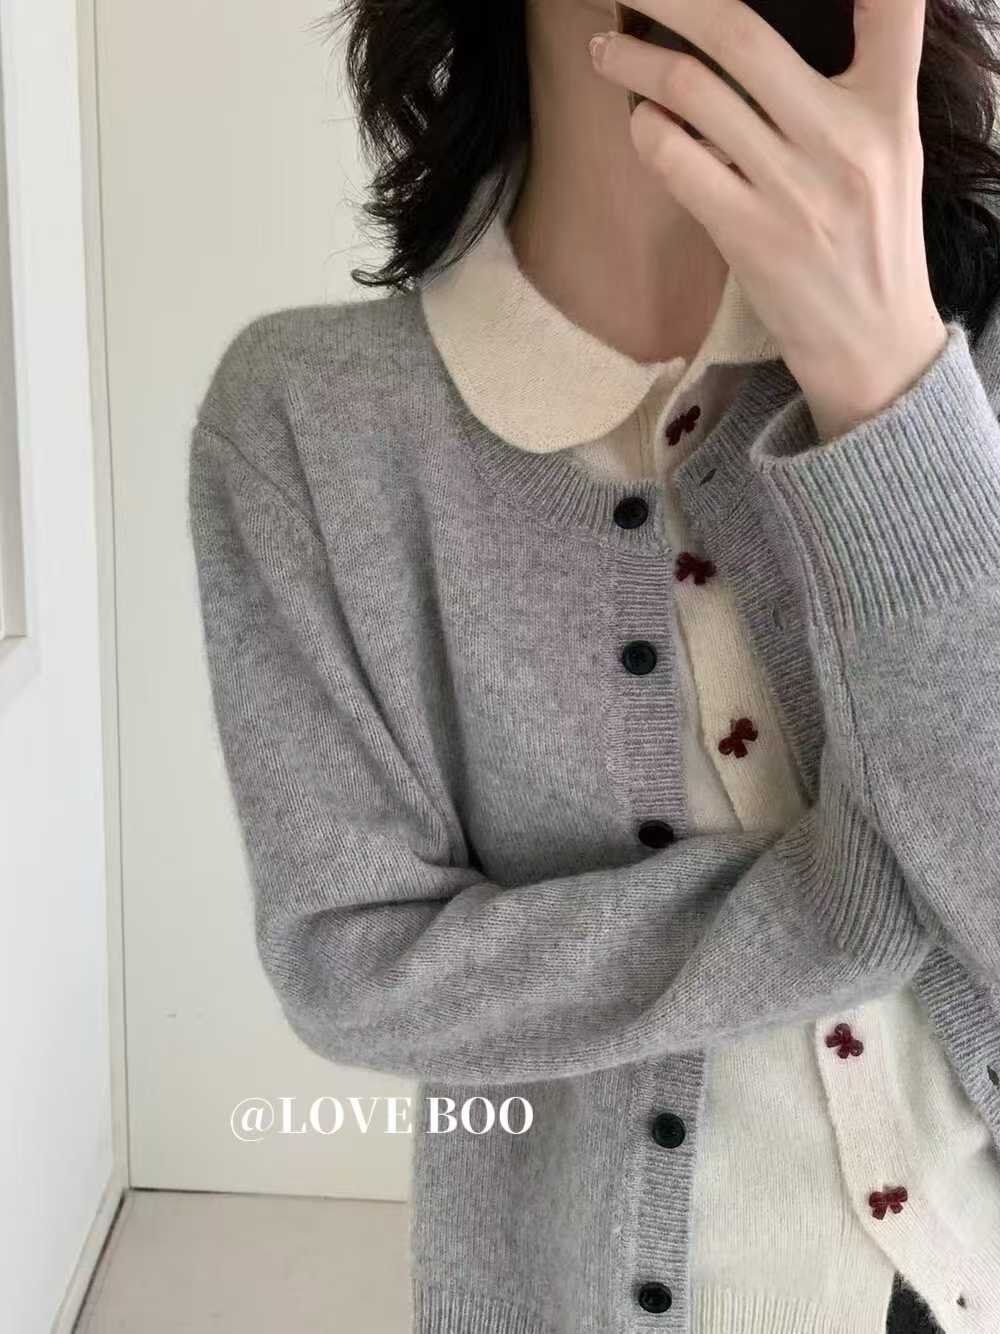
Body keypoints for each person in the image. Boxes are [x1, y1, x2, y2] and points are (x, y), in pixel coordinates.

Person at [186, 1, 1000, 1331]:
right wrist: (846, 906)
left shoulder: (970, 352)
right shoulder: (311, 425)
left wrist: (890, 393)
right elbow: (352, 959)